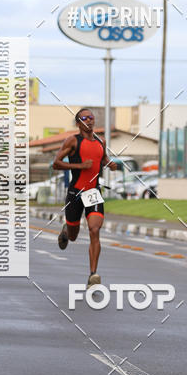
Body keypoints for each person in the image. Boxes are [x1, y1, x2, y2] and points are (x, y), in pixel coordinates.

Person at [52, 108, 118, 288]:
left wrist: (109, 164)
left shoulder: (101, 141)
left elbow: (102, 158)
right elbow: (56, 164)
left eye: (91, 118)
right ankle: (66, 231)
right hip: (75, 193)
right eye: (84, 118)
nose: (89, 120)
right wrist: (80, 166)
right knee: (73, 236)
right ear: (78, 123)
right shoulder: (72, 141)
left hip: (93, 193)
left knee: (94, 230)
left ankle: (93, 275)